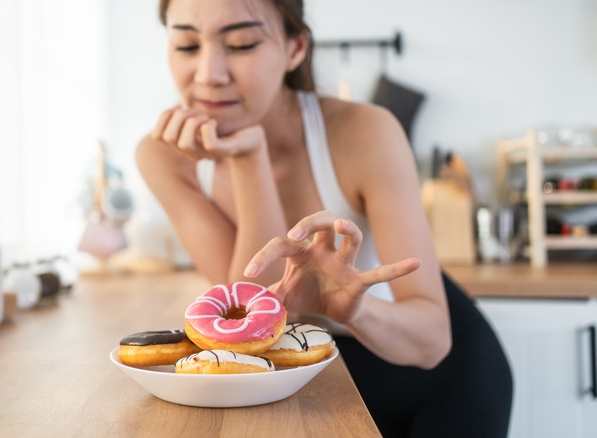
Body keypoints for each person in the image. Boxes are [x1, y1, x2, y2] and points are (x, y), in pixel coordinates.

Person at [135, 0, 512, 436]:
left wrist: (357, 308)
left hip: (433, 372)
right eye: (185, 45)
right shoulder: (164, 156)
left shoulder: (366, 131)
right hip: (315, 371)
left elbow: (431, 342)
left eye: (241, 44)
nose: (208, 73)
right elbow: (247, 316)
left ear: (296, 49)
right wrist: (249, 158)